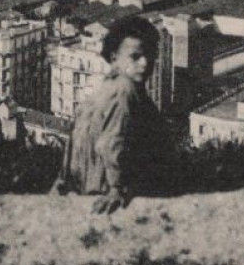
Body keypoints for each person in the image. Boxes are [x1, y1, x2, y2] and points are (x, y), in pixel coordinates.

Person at [54, 14, 164, 214]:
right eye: (135, 56)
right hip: (105, 190)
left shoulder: (102, 91)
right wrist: (116, 188)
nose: (145, 63)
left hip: (82, 190)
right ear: (114, 57)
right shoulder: (125, 89)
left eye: (150, 55)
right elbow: (111, 142)